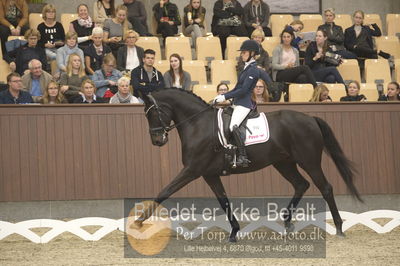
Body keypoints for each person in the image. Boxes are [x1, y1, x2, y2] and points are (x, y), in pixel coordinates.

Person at [213, 40, 261, 167]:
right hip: (237, 103)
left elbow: (244, 90)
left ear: (252, 53)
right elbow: (236, 88)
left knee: (233, 126)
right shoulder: (246, 68)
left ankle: (243, 156)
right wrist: (222, 96)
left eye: (244, 52)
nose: (242, 54)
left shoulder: (254, 70)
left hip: (244, 104)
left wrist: (224, 96)